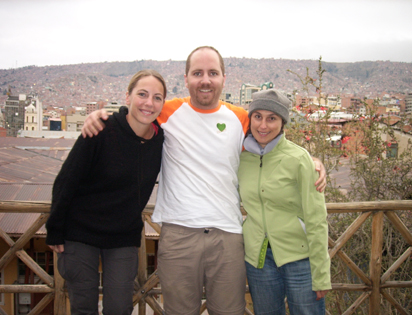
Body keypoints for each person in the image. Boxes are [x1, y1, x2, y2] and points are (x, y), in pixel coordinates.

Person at [81, 46, 327, 315]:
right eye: (197, 73)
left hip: (228, 236)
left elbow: (272, 142)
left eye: (213, 73)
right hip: (179, 234)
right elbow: (135, 116)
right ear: (186, 78)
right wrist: (99, 115)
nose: (205, 80)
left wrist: (311, 161)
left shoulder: (241, 118)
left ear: (224, 78)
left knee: (229, 311)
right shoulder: (167, 111)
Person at [45, 69, 166, 315]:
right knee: (83, 307)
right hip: (80, 232)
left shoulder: (161, 140)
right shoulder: (101, 129)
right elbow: (67, 178)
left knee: (120, 308)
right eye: (142, 94)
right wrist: (55, 229)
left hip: (122, 237)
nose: (148, 103)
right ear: (128, 97)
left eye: (157, 97)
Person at [238, 89, 331, 315]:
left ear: (283, 122)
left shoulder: (299, 159)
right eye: (258, 116)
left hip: (300, 257)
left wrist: (321, 274)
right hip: (258, 260)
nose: (263, 125)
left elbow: (317, 219)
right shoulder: (240, 158)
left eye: (272, 118)